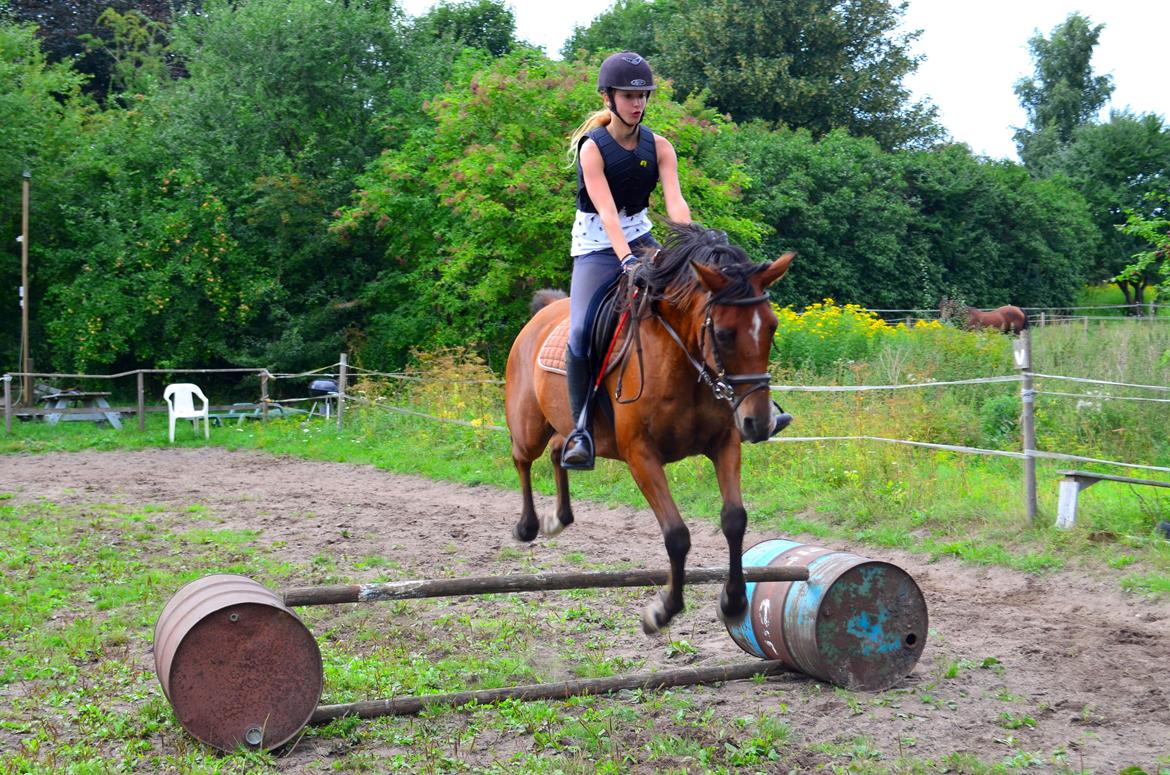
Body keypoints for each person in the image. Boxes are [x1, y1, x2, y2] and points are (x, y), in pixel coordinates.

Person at [561, 51, 692, 470]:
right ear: (608, 98)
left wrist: (692, 244)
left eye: (643, 95)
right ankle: (581, 430)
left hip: (640, 236)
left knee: (695, 298)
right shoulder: (592, 149)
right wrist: (626, 261)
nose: (638, 103)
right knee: (581, 331)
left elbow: (675, 203)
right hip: (597, 246)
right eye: (628, 95)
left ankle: (732, 401)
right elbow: (606, 215)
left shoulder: (661, 146)